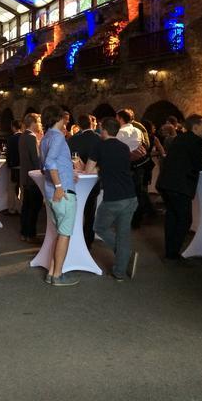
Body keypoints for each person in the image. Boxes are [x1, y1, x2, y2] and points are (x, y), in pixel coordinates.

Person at [83, 117, 139, 281]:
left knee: (99, 227)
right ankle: (119, 271)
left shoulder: (99, 146)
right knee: (123, 234)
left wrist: (96, 168)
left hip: (113, 197)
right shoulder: (124, 147)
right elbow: (117, 167)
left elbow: (88, 170)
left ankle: (124, 254)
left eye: (100, 127)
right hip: (130, 195)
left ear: (104, 130)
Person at [156, 114, 202, 261]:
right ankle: (174, 252)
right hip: (180, 185)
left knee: (172, 217)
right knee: (184, 220)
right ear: (195, 127)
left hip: (166, 183)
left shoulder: (180, 138)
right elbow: (201, 165)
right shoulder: (196, 141)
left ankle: (170, 251)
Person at [40, 105, 79, 286]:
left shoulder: (45, 138)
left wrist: (68, 173)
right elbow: (49, 163)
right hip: (62, 193)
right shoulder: (58, 137)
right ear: (59, 118)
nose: (66, 120)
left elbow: (44, 167)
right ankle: (57, 275)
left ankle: (51, 273)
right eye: (64, 117)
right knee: (65, 234)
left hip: (51, 192)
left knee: (60, 232)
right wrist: (59, 186)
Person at [68, 114, 101, 247]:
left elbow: (69, 159)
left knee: (75, 209)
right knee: (90, 211)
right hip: (93, 179)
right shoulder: (99, 139)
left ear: (79, 125)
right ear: (91, 124)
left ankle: (74, 237)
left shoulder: (72, 140)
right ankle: (88, 240)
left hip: (77, 178)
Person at [19, 113, 43, 242]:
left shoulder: (23, 136)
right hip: (33, 178)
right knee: (34, 207)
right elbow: (36, 159)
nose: (40, 124)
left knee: (26, 206)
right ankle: (30, 234)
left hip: (25, 176)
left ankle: (24, 233)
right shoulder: (31, 137)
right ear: (33, 123)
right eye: (38, 121)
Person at [6, 120, 23, 214]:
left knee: (12, 188)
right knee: (22, 189)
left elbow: (8, 154)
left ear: (13, 127)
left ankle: (12, 208)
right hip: (23, 166)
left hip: (14, 166)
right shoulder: (24, 137)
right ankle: (21, 208)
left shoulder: (11, 139)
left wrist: (9, 165)